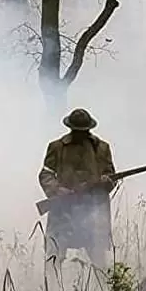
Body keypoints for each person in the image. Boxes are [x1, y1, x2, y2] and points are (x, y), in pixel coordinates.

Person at [38, 108, 116, 271]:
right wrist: (57, 189)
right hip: (63, 210)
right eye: (77, 131)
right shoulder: (57, 147)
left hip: (93, 212)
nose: (81, 135)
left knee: (99, 262)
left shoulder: (101, 148)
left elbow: (111, 177)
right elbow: (46, 174)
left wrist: (104, 183)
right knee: (53, 257)